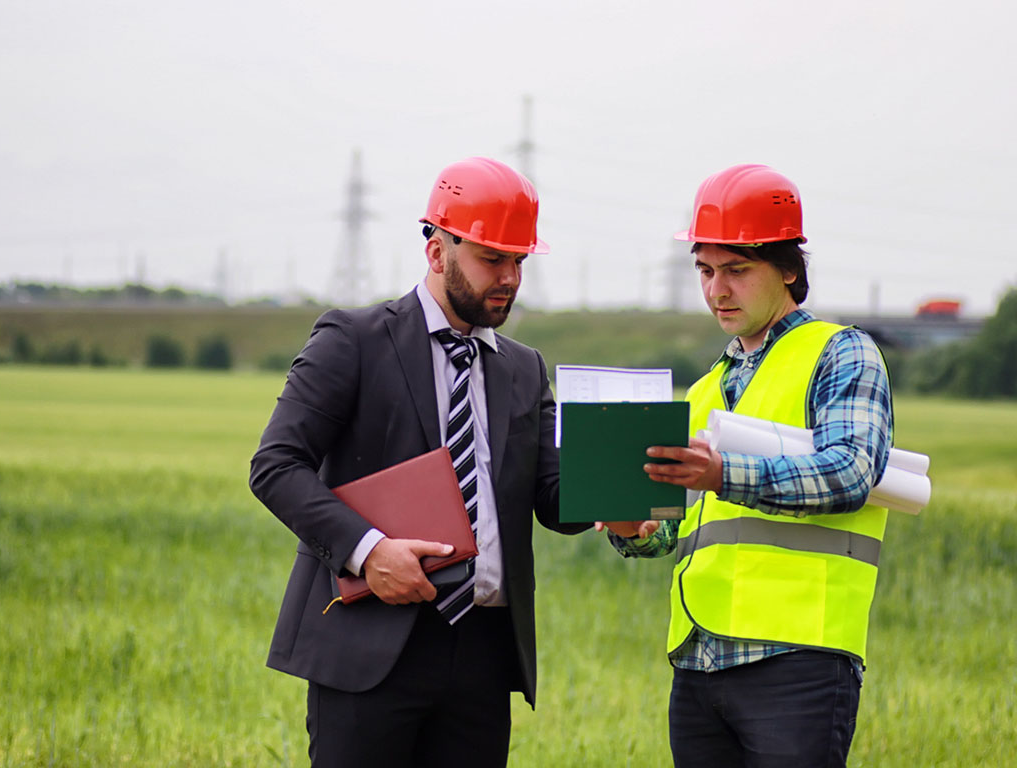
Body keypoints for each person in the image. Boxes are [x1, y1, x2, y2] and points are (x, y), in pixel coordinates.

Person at [249, 156, 588, 767]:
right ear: (437, 252)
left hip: (484, 652)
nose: (509, 277)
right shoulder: (351, 340)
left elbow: (554, 499)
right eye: (492, 258)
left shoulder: (524, 367)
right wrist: (370, 551)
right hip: (369, 645)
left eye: (519, 261)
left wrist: (614, 499)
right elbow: (275, 465)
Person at [599, 163, 893, 768]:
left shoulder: (841, 352)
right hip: (698, 661)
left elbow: (851, 471)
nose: (717, 291)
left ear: (789, 268)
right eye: (705, 271)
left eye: (737, 270)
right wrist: (635, 531)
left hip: (799, 658)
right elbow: (682, 529)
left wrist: (722, 472)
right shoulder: (704, 389)